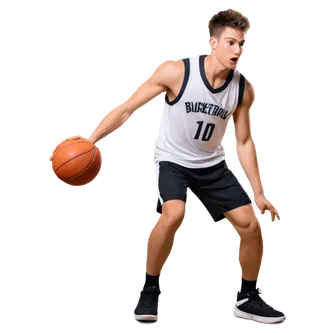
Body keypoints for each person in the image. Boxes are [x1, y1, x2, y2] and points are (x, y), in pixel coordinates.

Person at [49, 7, 287, 325]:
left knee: (251, 227)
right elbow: (126, 109)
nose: (238, 51)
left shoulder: (240, 89)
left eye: (242, 44)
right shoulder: (177, 71)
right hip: (172, 160)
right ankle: (149, 290)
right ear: (212, 43)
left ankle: (247, 298)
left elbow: (243, 141)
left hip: (212, 164)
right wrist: (91, 141)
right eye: (231, 42)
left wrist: (259, 193)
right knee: (174, 213)